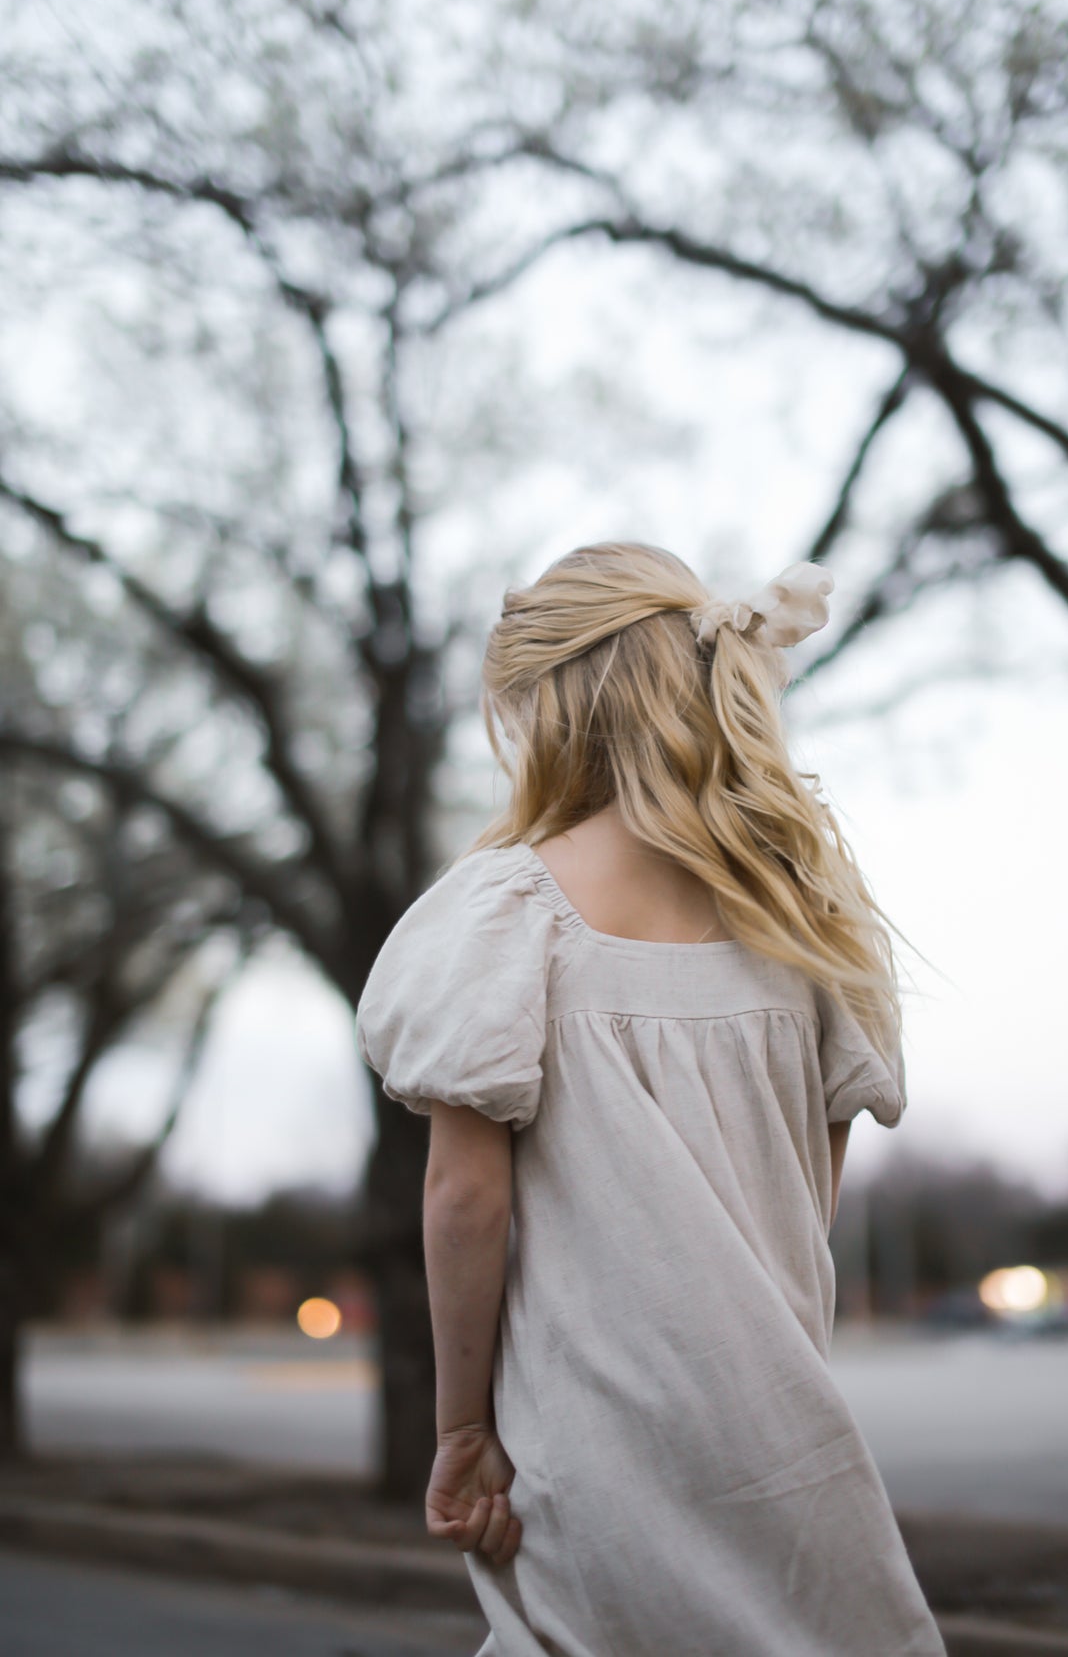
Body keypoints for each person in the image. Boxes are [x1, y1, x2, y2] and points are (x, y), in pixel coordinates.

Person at [355, 541, 947, 1656]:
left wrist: (462, 1428)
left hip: (593, 1434)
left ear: (554, 707)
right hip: (782, 1434)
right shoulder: (806, 919)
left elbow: (465, 1201)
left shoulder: (509, 915)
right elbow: (804, 1208)